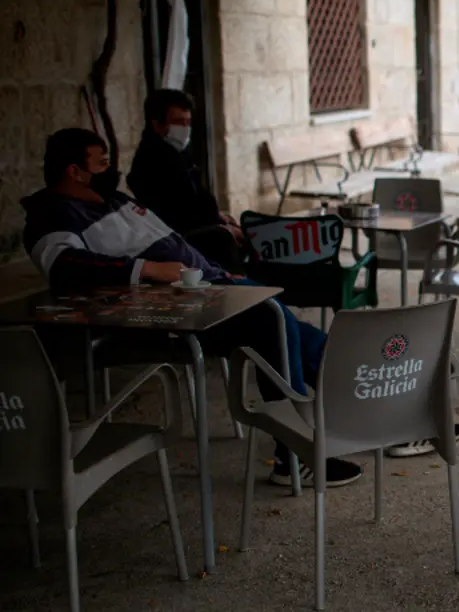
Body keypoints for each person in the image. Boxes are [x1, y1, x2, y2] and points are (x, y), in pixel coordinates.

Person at [23, 127, 364, 487]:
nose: (111, 170)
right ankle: (295, 455)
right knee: (271, 322)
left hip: (207, 283)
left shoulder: (112, 200)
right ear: (73, 171)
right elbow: (66, 268)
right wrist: (148, 270)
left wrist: (216, 265)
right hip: (169, 308)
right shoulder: (52, 216)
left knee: (293, 329)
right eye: (102, 163)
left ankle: (371, 407)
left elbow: (169, 240)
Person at [127, 89, 247, 274]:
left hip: (195, 226)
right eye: (177, 122)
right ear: (157, 125)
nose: (184, 129)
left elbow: (196, 197)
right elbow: (178, 212)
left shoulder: (177, 154)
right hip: (177, 236)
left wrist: (218, 216)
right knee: (223, 237)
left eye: (188, 122)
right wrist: (219, 226)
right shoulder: (154, 161)